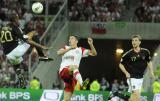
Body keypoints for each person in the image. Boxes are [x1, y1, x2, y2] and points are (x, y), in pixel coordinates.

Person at [0, 13, 53, 88]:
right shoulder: (15, 28)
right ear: (15, 20)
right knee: (34, 33)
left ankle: (21, 80)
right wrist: (41, 46)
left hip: (8, 54)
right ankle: (42, 56)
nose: (19, 20)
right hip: (16, 50)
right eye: (18, 19)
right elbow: (28, 41)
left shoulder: (3, 28)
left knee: (16, 65)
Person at [57, 35, 97, 101]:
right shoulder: (65, 47)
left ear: (76, 41)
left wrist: (91, 45)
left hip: (73, 77)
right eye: (69, 39)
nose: (70, 40)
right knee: (74, 67)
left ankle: (81, 83)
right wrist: (70, 48)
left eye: (72, 38)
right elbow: (58, 53)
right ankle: (82, 84)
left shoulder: (80, 50)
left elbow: (94, 53)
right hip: (64, 71)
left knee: (66, 99)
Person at [119, 35, 155, 101]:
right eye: (132, 40)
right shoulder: (128, 54)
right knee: (137, 97)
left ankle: (116, 96)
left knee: (132, 97)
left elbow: (149, 62)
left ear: (139, 42)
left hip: (141, 78)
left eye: (136, 40)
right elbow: (120, 64)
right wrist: (126, 72)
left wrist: (151, 72)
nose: (133, 42)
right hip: (132, 78)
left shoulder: (145, 52)